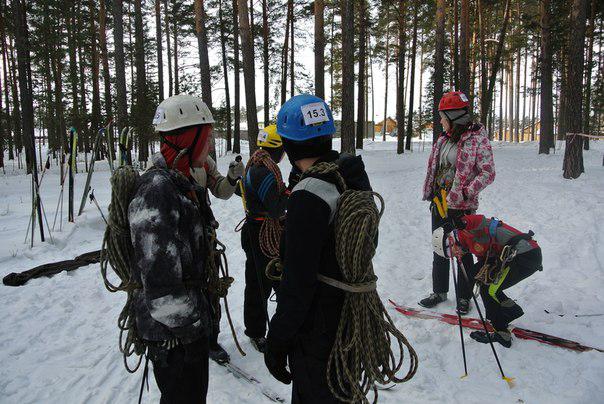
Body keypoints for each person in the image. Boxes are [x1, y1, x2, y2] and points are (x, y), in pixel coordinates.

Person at [128, 94, 242, 403]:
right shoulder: (157, 190)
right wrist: (192, 330)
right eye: (206, 138)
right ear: (187, 139)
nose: (209, 147)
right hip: (173, 335)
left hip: (185, 329)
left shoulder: (181, 178)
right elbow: (160, 280)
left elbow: (220, 189)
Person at [264, 94, 372, 403]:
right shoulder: (350, 177)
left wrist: (278, 340)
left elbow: (298, 283)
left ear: (290, 144)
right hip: (350, 317)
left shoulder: (309, 195)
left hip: (319, 331)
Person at [420, 91, 496, 314]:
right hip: (439, 201)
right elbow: (434, 169)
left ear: (453, 116)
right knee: (439, 247)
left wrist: (465, 192)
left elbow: (488, 172)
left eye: (443, 116)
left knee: (462, 250)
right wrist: (431, 191)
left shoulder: (477, 138)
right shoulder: (443, 138)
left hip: (462, 206)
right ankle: (439, 291)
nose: (440, 121)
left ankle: (464, 297)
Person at [433, 214, 542, 348]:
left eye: (452, 253)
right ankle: (507, 313)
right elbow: (485, 259)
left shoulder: (467, 230)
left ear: (450, 242)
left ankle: (502, 332)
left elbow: (479, 221)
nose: (457, 255)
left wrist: (461, 222)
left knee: (490, 289)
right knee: (483, 282)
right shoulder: (469, 243)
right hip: (519, 256)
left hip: (525, 255)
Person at [239, 124, 288, 353]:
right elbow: (277, 209)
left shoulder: (255, 164)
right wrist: (291, 193)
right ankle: (257, 332)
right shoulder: (265, 172)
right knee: (261, 285)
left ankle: (272, 326)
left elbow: (243, 191)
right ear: (277, 149)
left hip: (256, 231)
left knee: (268, 281)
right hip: (261, 234)